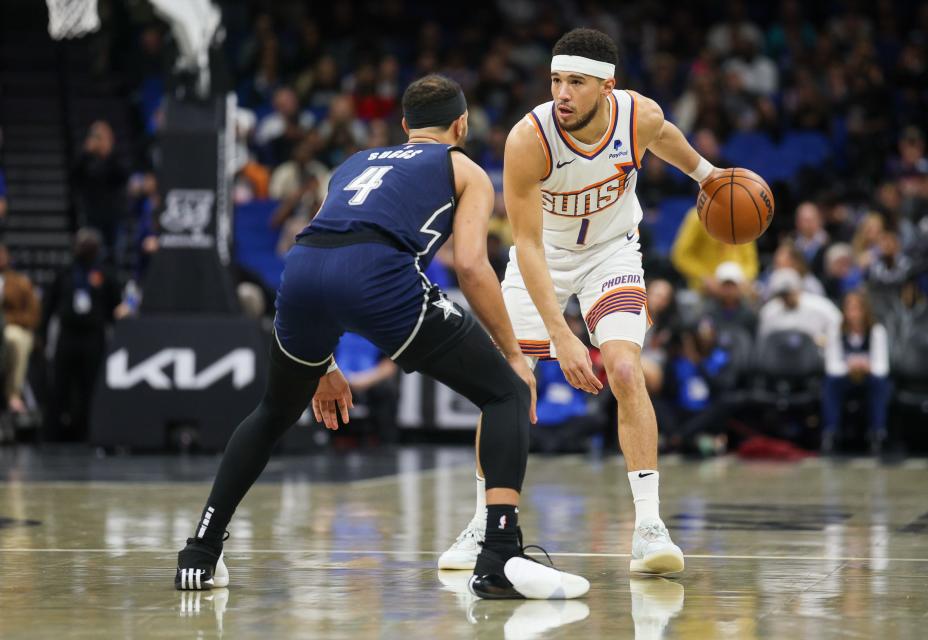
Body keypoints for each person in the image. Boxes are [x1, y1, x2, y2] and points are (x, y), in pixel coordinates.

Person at [175, 75, 588, 601]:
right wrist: (513, 352)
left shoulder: (355, 162)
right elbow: (470, 265)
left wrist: (322, 363)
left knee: (273, 412)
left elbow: (328, 247)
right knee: (505, 390)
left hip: (301, 273)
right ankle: (500, 554)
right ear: (461, 125)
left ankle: (201, 551)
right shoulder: (463, 167)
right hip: (376, 276)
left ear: (404, 127)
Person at [441, 28, 729, 576]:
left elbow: (664, 135)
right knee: (509, 382)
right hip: (542, 257)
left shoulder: (636, 115)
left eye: (575, 81)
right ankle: (484, 520)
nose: (562, 93)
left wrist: (708, 175)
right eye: (555, 80)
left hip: (611, 252)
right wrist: (564, 335)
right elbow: (525, 243)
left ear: (606, 85)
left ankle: (649, 527)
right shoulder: (530, 138)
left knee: (624, 368)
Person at [41, 229, 123, 441]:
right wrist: (40, 334)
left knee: (90, 386)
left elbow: (116, 305)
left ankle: (87, 433)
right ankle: (52, 434)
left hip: (92, 336)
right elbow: (48, 305)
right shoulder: (65, 272)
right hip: (67, 335)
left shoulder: (105, 273)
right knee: (60, 385)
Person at [821, 291, 890, 455]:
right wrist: (849, 367)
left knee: (880, 384)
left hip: (868, 377)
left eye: (857, 309)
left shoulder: (877, 331)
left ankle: (877, 433)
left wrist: (867, 366)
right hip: (845, 378)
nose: (853, 314)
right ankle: (831, 433)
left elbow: (882, 367)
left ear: (865, 311)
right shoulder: (836, 330)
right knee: (831, 383)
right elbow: (831, 366)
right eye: (850, 309)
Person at [70, 121, 129, 263]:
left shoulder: (116, 156)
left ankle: (114, 283)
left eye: (102, 136)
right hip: (92, 216)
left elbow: (122, 176)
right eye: (96, 136)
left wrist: (107, 154)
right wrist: (85, 153)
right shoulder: (86, 159)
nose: (99, 140)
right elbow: (75, 178)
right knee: (92, 257)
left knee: (115, 257)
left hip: (114, 217)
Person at [757, 268, 841, 349]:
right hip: (781, 358)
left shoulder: (819, 306)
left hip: (814, 357)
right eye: (782, 295)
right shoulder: (769, 312)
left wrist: (826, 340)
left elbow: (836, 319)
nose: (786, 298)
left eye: (789, 293)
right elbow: (764, 341)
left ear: (798, 289)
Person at [0, 245, 40, 413]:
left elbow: (34, 315)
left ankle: (13, 393)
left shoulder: (20, 282)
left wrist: (6, 321)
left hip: (14, 329)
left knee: (13, 338)